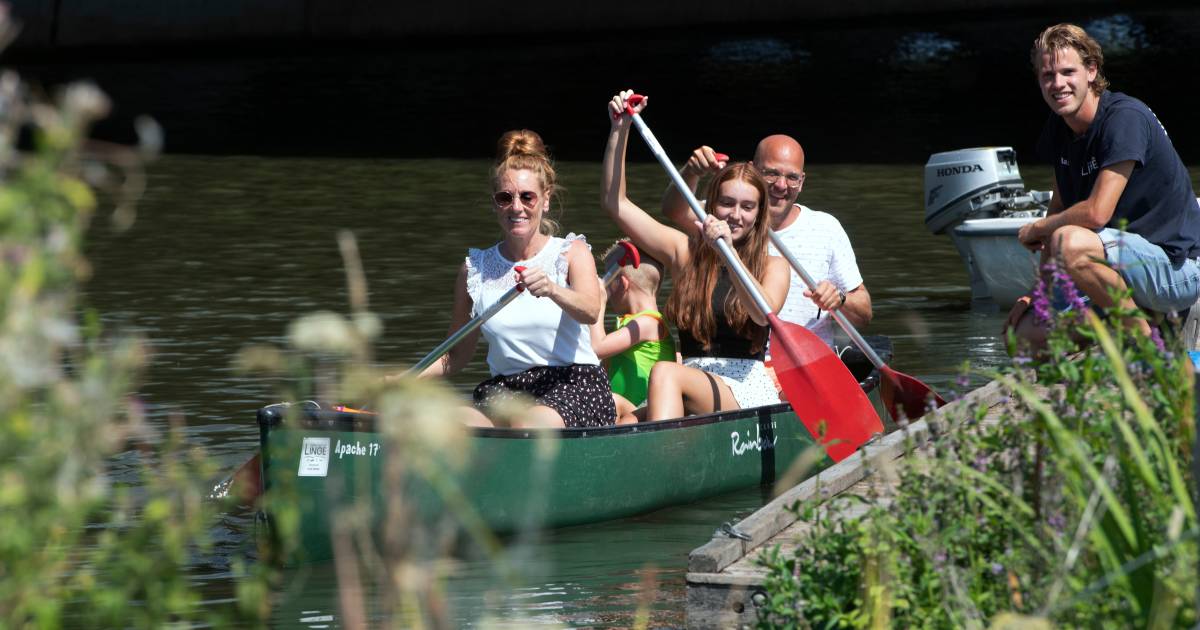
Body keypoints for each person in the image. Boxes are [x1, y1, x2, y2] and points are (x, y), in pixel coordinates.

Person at [1006, 23, 1200, 350]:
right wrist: (1035, 295)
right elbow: (1060, 208)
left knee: (1069, 240)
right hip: (1118, 270)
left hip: (1177, 270)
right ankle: (1124, 328)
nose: (1058, 84)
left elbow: (1096, 213)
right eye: (1048, 75)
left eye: (1068, 72)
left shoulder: (1125, 118)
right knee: (1024, 334)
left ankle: (1146, 345)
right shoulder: (1059, 127)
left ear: (1092, 70)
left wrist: (1036, 229)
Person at [603, 90, 791, 421]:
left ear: (759, 214)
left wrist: (729, 254)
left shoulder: (774, 266)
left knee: (664, 372)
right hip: (687, 379)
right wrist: (620, 129)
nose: (735, 215)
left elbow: (763, 315)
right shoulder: (685, 253)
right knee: (625, 417)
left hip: (742, 387)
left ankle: (665, 453)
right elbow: (615, 204)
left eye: (747, 207)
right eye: (726, 204)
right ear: (710, 206)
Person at [420, 129, 616, 428]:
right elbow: (456, 354)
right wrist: (404, 380)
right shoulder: (474, 269)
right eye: (505, 198)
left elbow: (590, 311)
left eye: (527, 197)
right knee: (450, 423)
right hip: (507, 390)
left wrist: (552, 289)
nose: (516, 207)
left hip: (573, 383)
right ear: (494, 203)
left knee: (527, 425)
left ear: (545, 200)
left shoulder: (571, 252)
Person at [661, 136, 871, 348]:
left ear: (801, 182)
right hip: (741, 358)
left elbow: (864, 314)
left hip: (806, 360)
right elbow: (674, 210)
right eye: (771, 173)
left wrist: (839, 299)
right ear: (752, 171)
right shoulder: (728, 216)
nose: (781, 185)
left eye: (792, 177)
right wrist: (691, 171)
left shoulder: (826, 228)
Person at [589, 240, 676, 422]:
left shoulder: (648, 323)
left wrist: (596, 304)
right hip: (624, 410)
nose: (607, 293)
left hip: (642, 410)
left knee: (610, 401)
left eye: (608, 285)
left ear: (623, 284)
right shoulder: (629, 323)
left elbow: (597, 347)